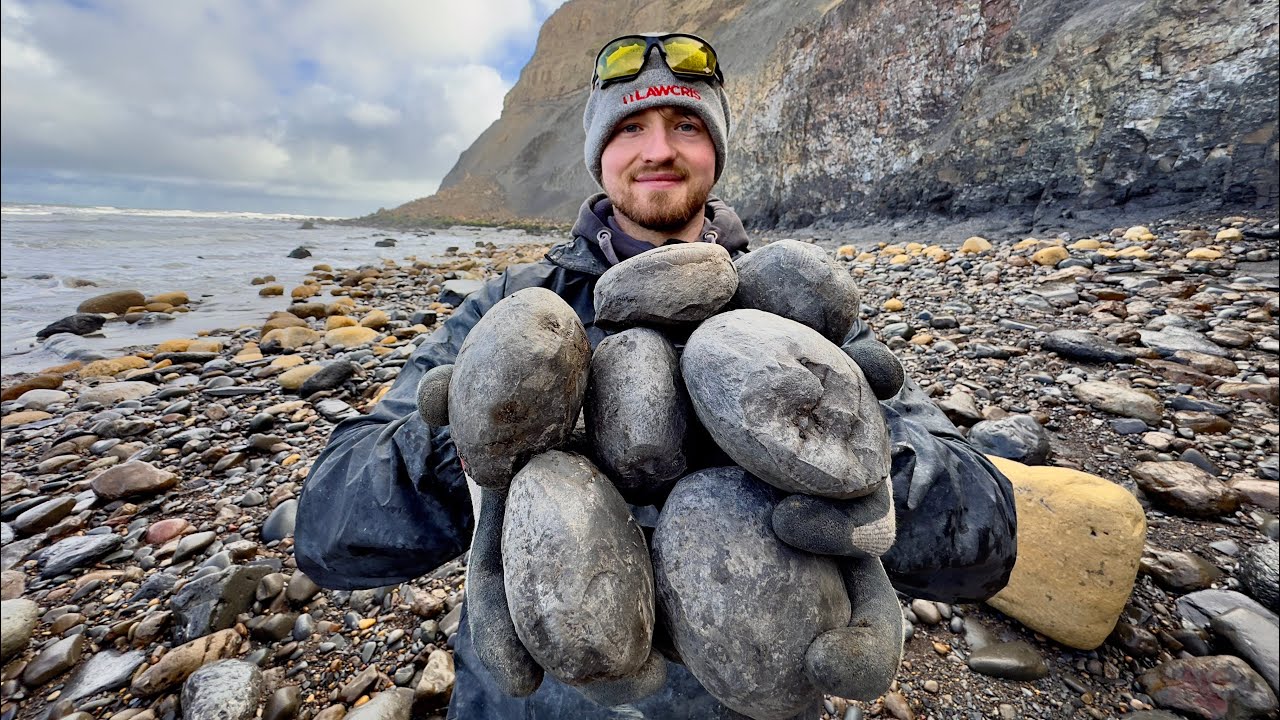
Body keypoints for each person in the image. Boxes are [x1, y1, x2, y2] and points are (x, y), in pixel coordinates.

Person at [296, 31, 1017, 719]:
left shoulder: (792, 318)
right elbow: (329, 527)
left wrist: (845, 463)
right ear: (598, 155)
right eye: (630, 129)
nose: (660, 150)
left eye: (686, 126)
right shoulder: (515, 309)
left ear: (717, 150)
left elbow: (986, 535)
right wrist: (497, 439)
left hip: (751, 697)